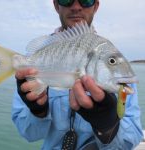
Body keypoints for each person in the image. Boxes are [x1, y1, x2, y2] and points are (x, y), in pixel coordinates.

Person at [12, 0, 144, 149]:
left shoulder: (118, 74)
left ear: (95, 6)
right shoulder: (36, 61)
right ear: (56, 5)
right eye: (66, 0)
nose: (76, 7)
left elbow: (132, 138)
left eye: (86, 0)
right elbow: (28, 134)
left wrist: (108, 128)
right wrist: (37, 112)